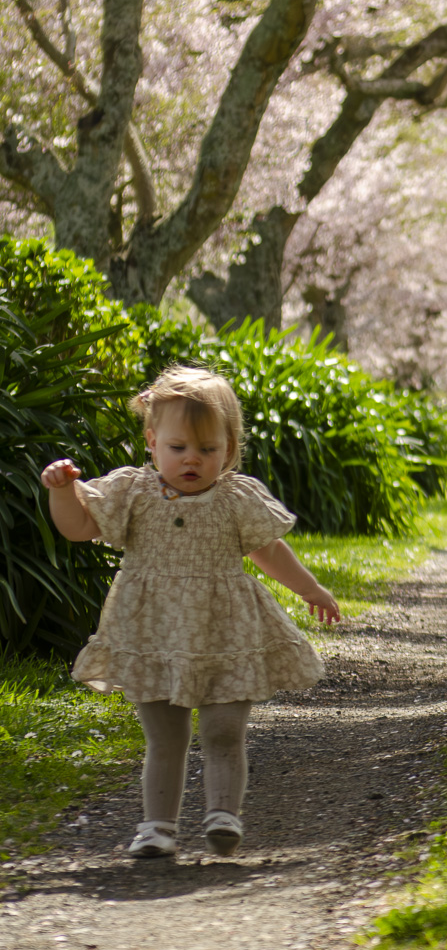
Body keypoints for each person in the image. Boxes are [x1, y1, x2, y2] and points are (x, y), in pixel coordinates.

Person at [41, 366, 340, 859]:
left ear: (230, 448)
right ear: (152, 442)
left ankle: (223, 814)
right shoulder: (131, 492)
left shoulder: (235, 498)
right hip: (154, 631)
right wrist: (60, 491)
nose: (192, 460)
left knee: (224, 729)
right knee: (166, 734)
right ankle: (157, 827)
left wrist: (310, 588)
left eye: (208, 449)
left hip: (226, 630)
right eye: (178, 448)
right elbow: (77, 527)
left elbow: (268, 550)